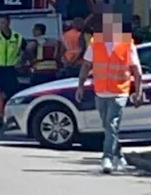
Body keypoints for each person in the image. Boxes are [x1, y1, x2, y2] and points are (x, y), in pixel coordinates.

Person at [75, 11, 144, 174]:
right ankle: (118, 154)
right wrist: (80, 86)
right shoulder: (96, 42)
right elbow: (86, 65)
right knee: (107, 126)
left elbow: (136, 69)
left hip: (120, 90)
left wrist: (139, 91)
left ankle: (106, 157)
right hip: (101, 91)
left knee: (112, 124)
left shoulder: (127, 43)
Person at [25, 23, 60, 87]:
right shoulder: (54, 41)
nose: (33, 32)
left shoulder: (34, 42)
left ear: (38, 31)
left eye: (34, 30)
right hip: (52, 70)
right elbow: (57, 54)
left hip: (39, 71)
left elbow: (28, 50)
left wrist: (31, 61)